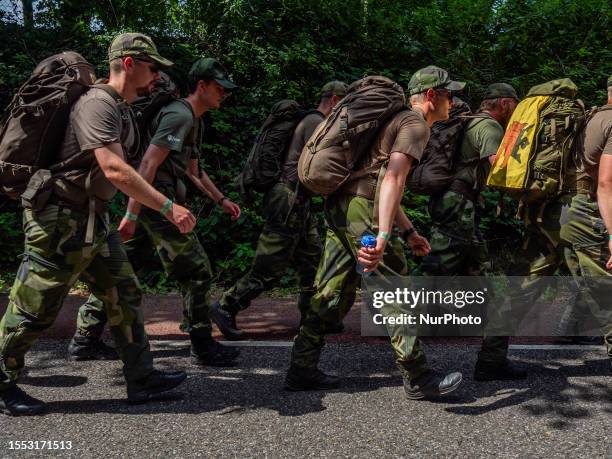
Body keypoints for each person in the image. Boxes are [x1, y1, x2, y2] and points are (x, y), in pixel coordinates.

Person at [0, 32, 193, 416]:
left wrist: (127, 216)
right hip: (59, 218)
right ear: (128, 63)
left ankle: (141, 379)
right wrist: (168, 207)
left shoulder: (120, 107)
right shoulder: (97, 104)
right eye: (152, 67)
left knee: (124, 292)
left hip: (91, 218)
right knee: (34, 308)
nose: (157, 76)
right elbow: (115, 169)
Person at [285, 66, 464, 399]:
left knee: (331, 288)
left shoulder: (392, 120)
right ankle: (419, 377)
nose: (452, 101)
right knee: (393, 287)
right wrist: (383, 237)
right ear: (430, 96)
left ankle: (301, 367)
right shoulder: (413, 125)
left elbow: (380, 183)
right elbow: (392, 180)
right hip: (361, 211)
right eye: (448, 94)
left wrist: (408, 231)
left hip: (341, 205)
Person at [69, 57, 242, 367]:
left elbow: (194, 172)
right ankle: (202, 344)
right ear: (201, 86)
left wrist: (221, 200)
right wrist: (133, 214)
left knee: (125, 266)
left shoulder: (194, 119)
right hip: (158, 204)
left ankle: (85, 338)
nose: (224, 95)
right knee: (197, 270)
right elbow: (147, 164)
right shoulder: (180, 115)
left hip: (154, 204)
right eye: (220, 88)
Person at [476, 77, 612, 377]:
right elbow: (605, 183)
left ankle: (490, 360)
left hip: (542, 208)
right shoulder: (606, 120)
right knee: (603, 287)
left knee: (521, 286)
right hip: (577, 212)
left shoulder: (586, 117)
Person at [210, 81, 348, 340]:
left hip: (297, 200)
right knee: (270, 266)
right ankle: (226, 306)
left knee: (313, 261)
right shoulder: (315, 123)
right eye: (343, 104)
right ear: (333, 100)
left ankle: (313, 316)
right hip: (287, 199)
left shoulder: (312, 121)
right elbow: (322, 165)